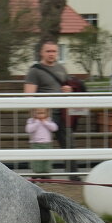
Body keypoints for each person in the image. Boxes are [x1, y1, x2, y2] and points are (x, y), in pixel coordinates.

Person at [23, 40, 76, 174]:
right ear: (41, 53)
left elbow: (66, 86)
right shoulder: (35, 71)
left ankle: (73, 175)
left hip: (60, 113)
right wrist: (37, 115)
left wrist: (67, 90)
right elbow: (28, 95)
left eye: (54, 51)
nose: (51, 54)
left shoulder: (61, 68)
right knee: (41, 146)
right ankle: (41, 175)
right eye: (48, 51)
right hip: (43, 116)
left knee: (69, 143)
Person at [25, 108, 58, 174]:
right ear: (34, 113)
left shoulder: (48, 120)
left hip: (47, 143)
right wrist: (37, 123)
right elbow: (28, 129)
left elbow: (55, 128)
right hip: (36, 144)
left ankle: (46, 173)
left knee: (47, 159)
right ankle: (36, 173)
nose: (40, 115)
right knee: (36, 160)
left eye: (42, 113)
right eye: (38, 113)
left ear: (46, 113)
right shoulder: (31, 121)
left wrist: (45, 123)